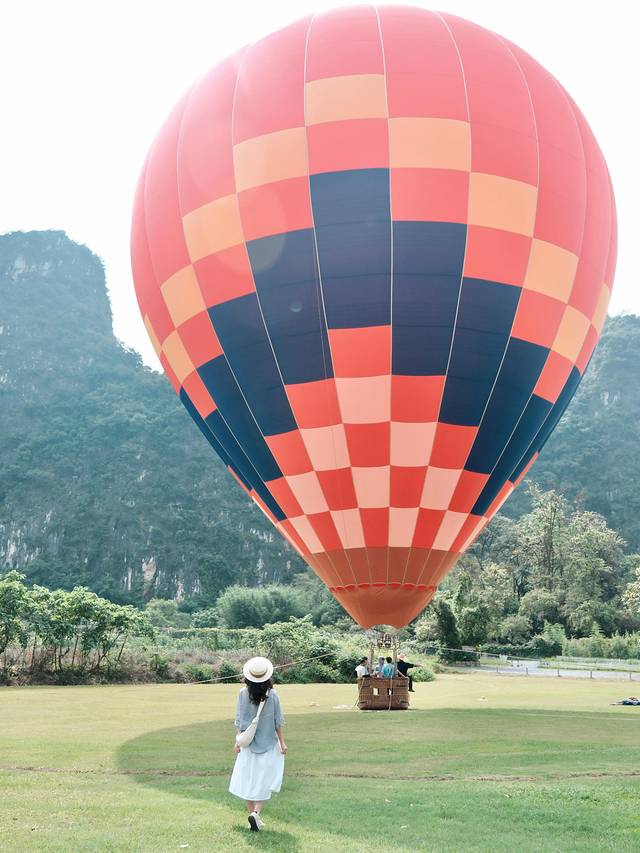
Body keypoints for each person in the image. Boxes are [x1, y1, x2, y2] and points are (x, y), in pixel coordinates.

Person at [229, 656, 287, 832]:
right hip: (268, 743)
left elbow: (239, 720)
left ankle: (252, 816)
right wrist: (282, 743)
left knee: (248, 779)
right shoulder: (272, 695)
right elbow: (278, 721)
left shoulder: (242, 693)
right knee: (265, 779)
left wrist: (237, 741)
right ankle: (256, 813)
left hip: (247, 744)